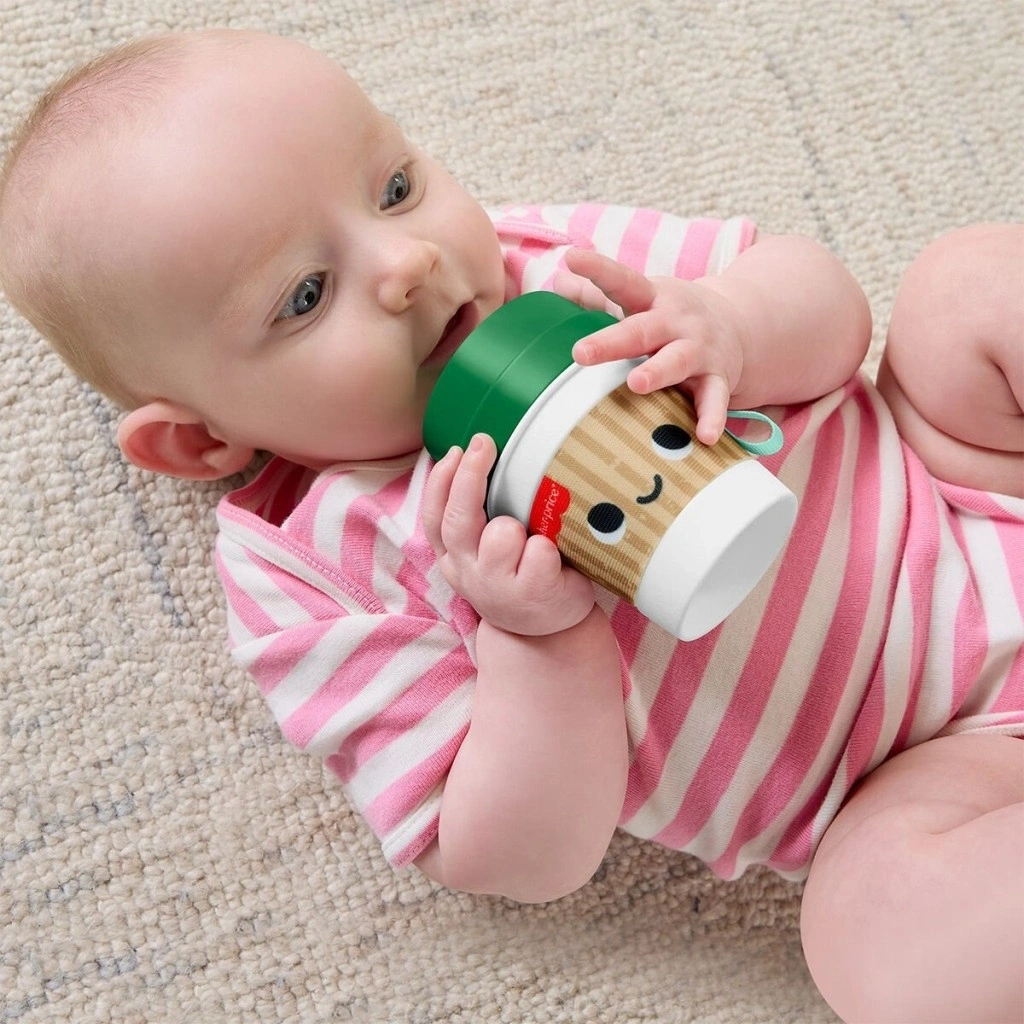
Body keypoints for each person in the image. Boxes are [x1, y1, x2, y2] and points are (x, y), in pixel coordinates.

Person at [0, 28, 1020, 1024]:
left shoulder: (553, 272)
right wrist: (540, 643)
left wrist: (730, 327)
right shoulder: (308, 571)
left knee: (965, 288)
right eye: (304, 296)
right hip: (915, 774)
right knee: (869, 932)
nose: (407, 261)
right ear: (198, 440)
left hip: (964, 484)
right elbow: (518, 858)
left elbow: (831, 313)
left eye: (395, 187)